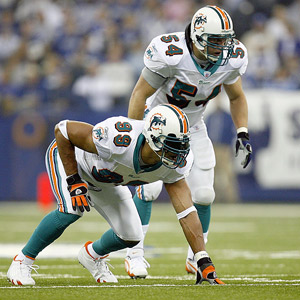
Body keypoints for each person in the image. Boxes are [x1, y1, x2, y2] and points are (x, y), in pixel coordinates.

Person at [7, 104, 224, 286]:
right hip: (75, 163)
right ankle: (21, 262)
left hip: (105, 179)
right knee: (71, 210)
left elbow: (186, 211)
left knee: (131, 235)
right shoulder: (120, 137)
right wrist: (74, 181)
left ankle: (92, 255)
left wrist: (202, 258)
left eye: (181, 146)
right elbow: (63, 131)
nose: (178, 154)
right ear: (153, 137)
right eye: (172, 146)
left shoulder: (173, 165)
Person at [125, 5, 252, 278]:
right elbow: (139, 94)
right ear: (197, 36)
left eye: (225, 40)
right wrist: (138, 133)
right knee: (148, 190)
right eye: (216, 40)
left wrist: (242, 131)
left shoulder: (232, 59)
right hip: (158, 123)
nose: (222, 47)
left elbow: (237, 97)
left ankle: (196, 257)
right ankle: (135, 253)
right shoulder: (171, 53)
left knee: (205, 194)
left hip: (193, 125)